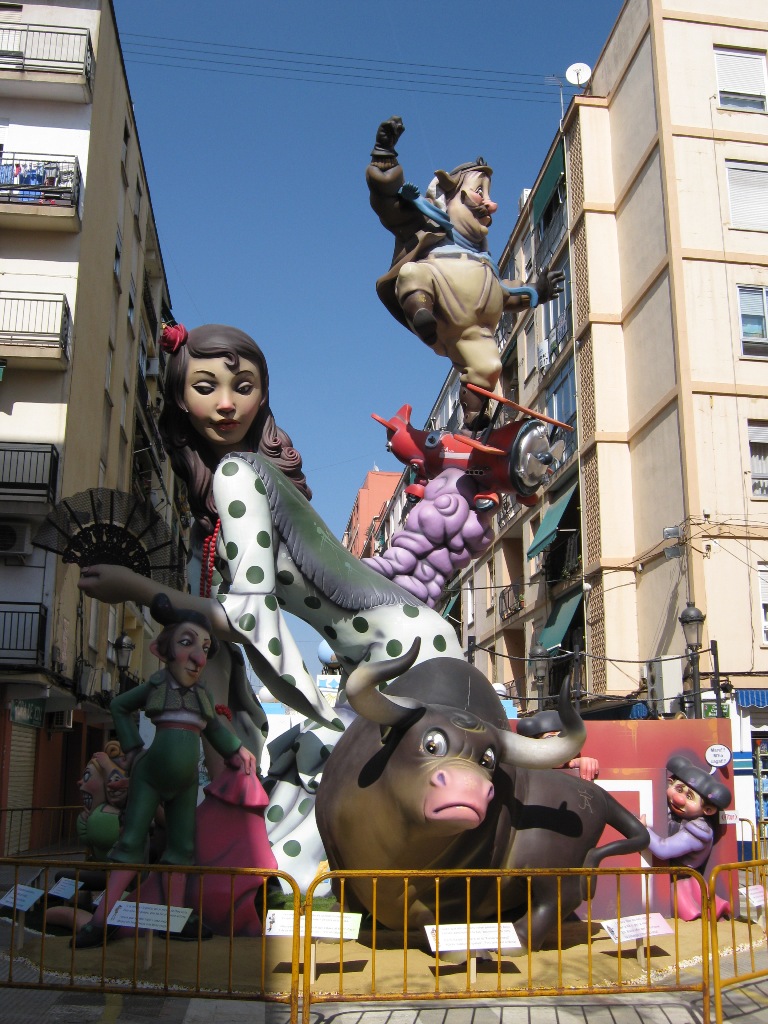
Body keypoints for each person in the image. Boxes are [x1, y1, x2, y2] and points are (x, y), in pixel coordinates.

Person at [73, 595, 258, 948]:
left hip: (185, 784)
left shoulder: (202, 696)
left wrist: (238, 749)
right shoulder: (157, 686)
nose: (198, 657)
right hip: (150, 778)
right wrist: (132, 750)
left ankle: (172, 919)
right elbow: (119, 705)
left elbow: (215, 730)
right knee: (130, 842)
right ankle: (100, 920)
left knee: (182, 848)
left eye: (205, 648)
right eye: (187, 643)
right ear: (164, 650)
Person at [367, 116, 564, 428]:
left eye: (489, 195)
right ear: (451, 195)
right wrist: (384, 156)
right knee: (413, 274)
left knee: (490, 364)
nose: (491, 205)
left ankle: (474, 418)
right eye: (479, 192)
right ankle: (422, 313)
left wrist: (536, 291)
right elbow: (387, 204)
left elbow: (507, 293)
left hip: (474, 331)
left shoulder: (485, 262)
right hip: (439, 298)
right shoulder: (428, 230)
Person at [640, 755, 730, 921]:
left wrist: (642, 829)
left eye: (690, 797)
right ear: (670, 783)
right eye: (679, 789)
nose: (679, 798)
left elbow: (663, 849)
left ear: (708, 810)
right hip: (667, 876)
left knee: (686, 912)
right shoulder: (673, 814)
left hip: (682, 881)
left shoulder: (698, 831)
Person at [516, 709, 600, 781]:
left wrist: (583, 765)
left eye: (563, 738)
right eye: (550, 737)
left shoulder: (571, 762)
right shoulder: (522, 771)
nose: (559, 745)